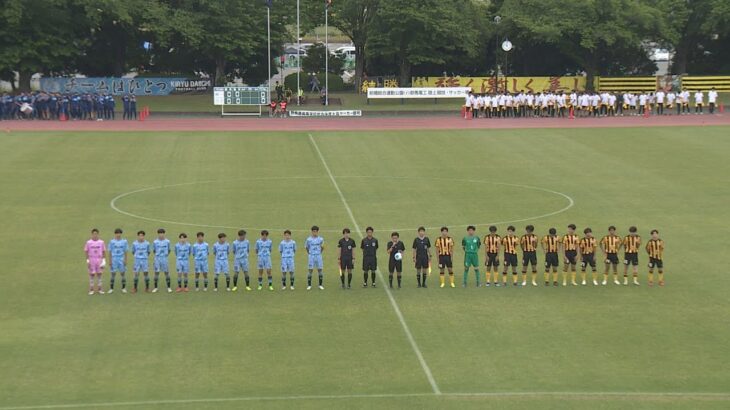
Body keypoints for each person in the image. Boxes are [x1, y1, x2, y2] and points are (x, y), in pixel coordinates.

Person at [84, 228, 106, 295]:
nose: (95, 235)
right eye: (94, 234)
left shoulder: (101, 242)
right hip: (92, 260)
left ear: (98, 234)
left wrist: (104, 260)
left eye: (96, 234)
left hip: (99, 260)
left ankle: (100, 289)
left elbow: (104, 251)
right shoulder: (88, 242)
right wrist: (87, 260)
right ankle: (91, 289)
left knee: (99, 274)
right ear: (92, 234)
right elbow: (86, 251)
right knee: (92, 275)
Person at [108, 228, 128, 294]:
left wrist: (125, 260)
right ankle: (111, 288)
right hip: (114, 259)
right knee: (113, 274)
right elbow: (110, 252)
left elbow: (125, 251)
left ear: (121, 234)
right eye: (117, 233)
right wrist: (110, 261)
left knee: (122, 273)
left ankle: (123, 288)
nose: (118, 234)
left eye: (119, 233)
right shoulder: (112, 242)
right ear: (115, 234)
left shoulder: (124, 241)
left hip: (121, 259)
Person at [152, 228, 172, 293]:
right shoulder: (155, 242)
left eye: (162, 233)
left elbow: (169, 250)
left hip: (164, 258)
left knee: (166, 272)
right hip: (157, 258)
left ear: (164, 234)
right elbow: (154, 250)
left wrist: (165, 255)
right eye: (160, 234)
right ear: (158, 234)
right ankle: (155, 287)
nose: (161, 235)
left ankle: (169, 287)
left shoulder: (167, 241)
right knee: (156, 273)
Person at [305, 226, 325, 290]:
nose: (315, 233)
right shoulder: (308, 239)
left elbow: (322, 247)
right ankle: (309, 285)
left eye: (316, 231)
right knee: (310, 270)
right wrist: (310, 253)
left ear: (318, 232)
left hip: (318, 256)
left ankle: (320, 285)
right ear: (312, 232)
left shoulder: (321, 239)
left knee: (320, 270)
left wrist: (319, 252)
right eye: (313, 231)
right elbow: (307, 247)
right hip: (311, 256)